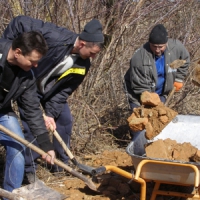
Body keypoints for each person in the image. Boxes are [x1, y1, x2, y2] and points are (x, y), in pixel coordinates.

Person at [2, 15, 104, 182]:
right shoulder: (55, 37)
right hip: (28, 84)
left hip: (48, 92)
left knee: (64, 119)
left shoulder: (83, 64)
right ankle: (30, 168)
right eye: (92, 53)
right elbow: (19, 22)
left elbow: (64, 91)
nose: (93, 58)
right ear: (82, 44)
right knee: (32, 124)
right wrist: (8, 55)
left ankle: (60, 162)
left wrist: (50, 113)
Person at [0, 31, 55, 197]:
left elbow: (32, 110)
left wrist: (46, 145)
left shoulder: (27, 76)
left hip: (2, 112)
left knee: (18, 148)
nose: (36, 65)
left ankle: (11, 195)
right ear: (18, 52)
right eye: (33, 61)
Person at [124, 24, 190, 154]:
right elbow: (139, 87)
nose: (158, 50)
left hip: (162, 91)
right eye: (154, 46)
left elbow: (185, 60)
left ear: (166, 43)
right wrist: (153, 104)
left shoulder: (176, 48)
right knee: (141, 122)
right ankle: (138, 150)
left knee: (158, 120)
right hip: (139, 93)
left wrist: (179, 79)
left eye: (161, 47)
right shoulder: (139, 58)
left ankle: (155, 148)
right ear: (149, 43)